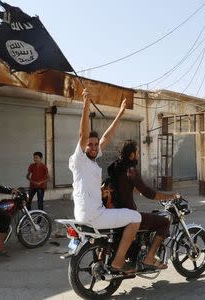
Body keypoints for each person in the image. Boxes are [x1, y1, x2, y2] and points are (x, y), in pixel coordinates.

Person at [69, 88, 141, 273]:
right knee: (136, 217)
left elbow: (107, 137)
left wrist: (120, 113)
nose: (93, 147)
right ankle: (118, 261)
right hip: (94, 215)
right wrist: (86, 103)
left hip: (88, 213)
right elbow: (82, 135)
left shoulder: (92, 160)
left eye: (95, 144)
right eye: (90, 145)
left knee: (120, 212)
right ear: (83, 146)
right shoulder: (79, 159)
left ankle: (109, 254)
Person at [108, 140, 176, 270]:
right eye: (138, 152)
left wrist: (135, 188)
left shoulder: (116, 168)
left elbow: (123, 186)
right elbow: (149, 193)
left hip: (114, 212)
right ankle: (150, 257)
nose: (139, 154)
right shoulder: (131, 171)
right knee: (164, 222)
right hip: (129, 214)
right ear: (132, 155)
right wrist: (169, 196)